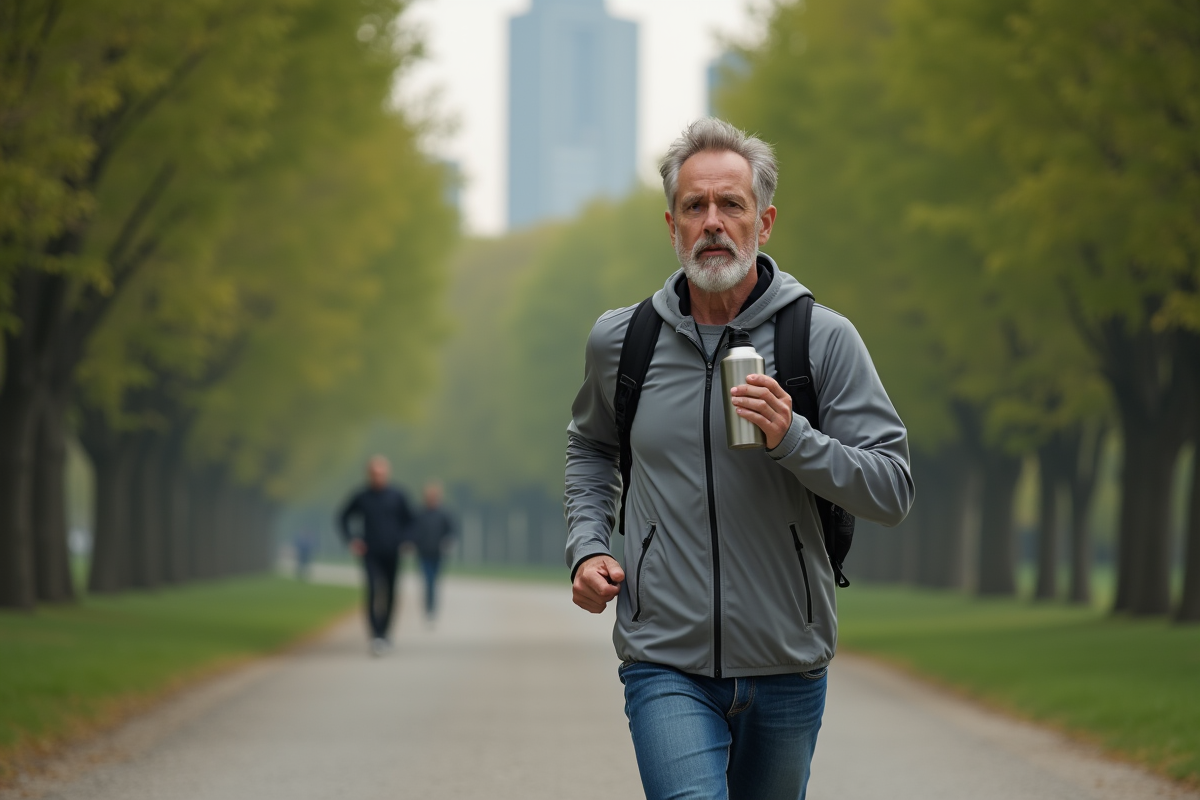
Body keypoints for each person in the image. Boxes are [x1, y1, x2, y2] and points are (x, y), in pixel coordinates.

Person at [564, 118, 914, 800]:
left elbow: (892, 489)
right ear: (672, 225)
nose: (713, 223)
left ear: (766, 221)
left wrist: (794, 439)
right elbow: (590, 444)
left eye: (732, 205)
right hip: (663, 655)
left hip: (787, 660)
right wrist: (585, 546)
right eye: (695, 207)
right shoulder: (622, 341)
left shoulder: (822, 339)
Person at [338, 455, 413, 656]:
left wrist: (406, 540)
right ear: (368, 474)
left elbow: (410, 521)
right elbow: (343, 517)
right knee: (372, 591)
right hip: (370, 552)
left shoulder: (398, 496)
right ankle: (375, 635)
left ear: (387, 474)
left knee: (389, 593)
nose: (378, 477)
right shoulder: (361, 497)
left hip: (393, 552)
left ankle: (386, 633)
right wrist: (352, 539)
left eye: (381, 473)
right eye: (374, 473)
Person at [409, 481, 456, 625]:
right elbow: (413, 530)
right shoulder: (420, 513)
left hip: (438, 554)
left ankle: (432, 608)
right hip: (423, 553)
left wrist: (448, 541)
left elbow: (451, 530)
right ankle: (429, 609)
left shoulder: (444, 513)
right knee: (428, 581)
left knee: (434, 582)